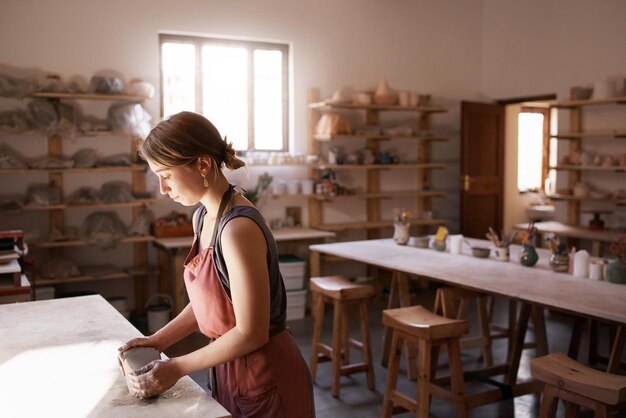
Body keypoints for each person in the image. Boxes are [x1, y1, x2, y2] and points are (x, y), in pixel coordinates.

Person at [118, 111, 315, 418]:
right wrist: (158, 341)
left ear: (203, 164)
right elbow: (211, 303)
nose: (162, 189)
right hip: (231, 370)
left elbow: (251, 333)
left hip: (266, 376)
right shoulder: (204, 217)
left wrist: (177, 367)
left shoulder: (237, 230)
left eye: (166, 175)